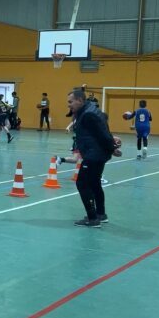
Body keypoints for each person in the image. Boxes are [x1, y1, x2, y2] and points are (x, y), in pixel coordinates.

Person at [67, 87, 117, 228]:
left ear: (80, 100)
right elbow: (104, 131)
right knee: (95, 183)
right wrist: (112, 147)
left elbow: (102, 133)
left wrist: (112, 148)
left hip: (94, 154)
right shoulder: (89, 110)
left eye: (71, 102)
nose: (69, 105)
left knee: (82, 183)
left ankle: (92, 218)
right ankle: (101, 214)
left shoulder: (89, 114)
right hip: (97, 153)